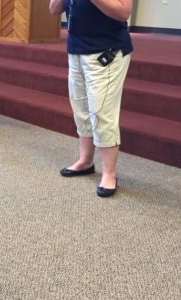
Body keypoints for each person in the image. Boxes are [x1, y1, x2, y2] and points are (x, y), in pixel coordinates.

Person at [49, 0, 133, 197]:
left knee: (101, 112)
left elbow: (124, 12)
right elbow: (53, 10)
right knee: (81, 109)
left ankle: (109, 173)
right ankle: (85, 161)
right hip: (76, 50)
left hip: (106, 51)